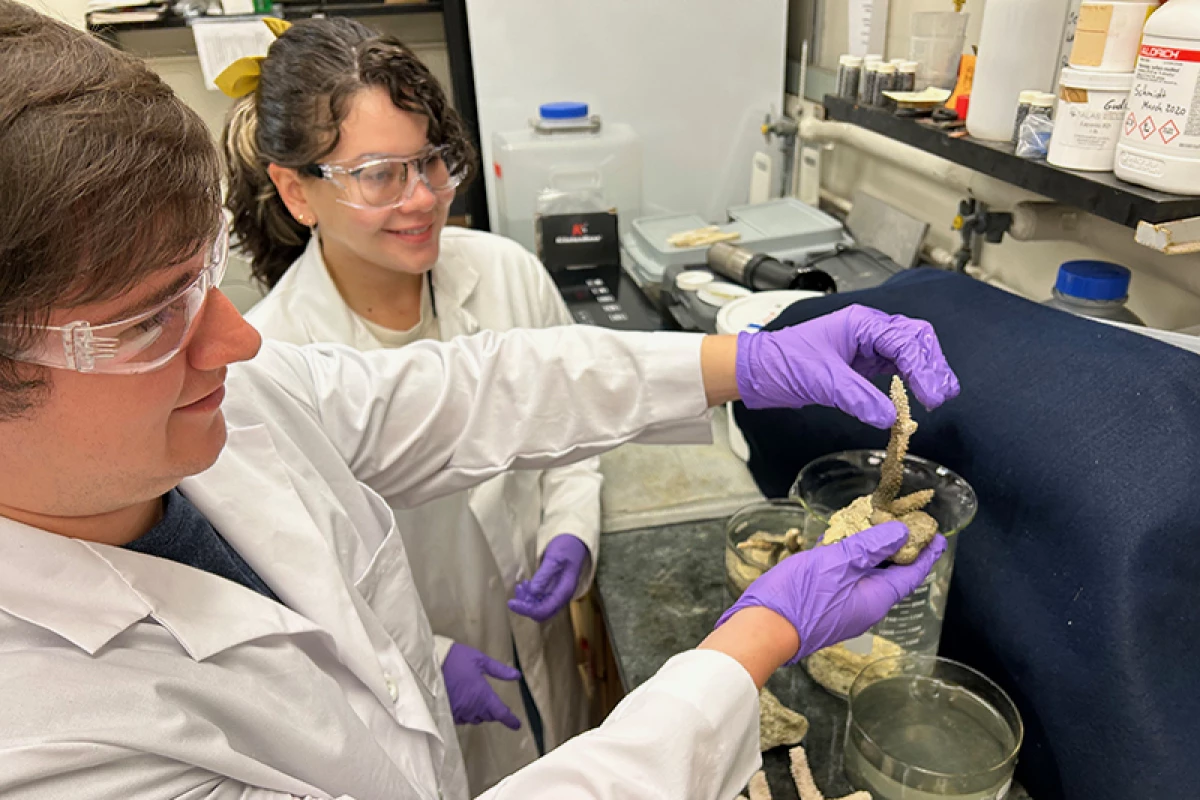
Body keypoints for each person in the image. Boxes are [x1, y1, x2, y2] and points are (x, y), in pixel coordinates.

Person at [0, 3, 958, 798]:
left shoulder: (240, 399)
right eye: (143, 321)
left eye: (205, 274)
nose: (238, 338)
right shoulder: (43, 746)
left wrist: (744, 362)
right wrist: (758, 640)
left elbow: (478, 389)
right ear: (296, 191)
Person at [219, 19, 602, 791]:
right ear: (297, 190)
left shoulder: (505, 273)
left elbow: (582, 419)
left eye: (431, 159)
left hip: (540, 636)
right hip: (402, 692)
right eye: (379, 175)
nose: (423, 197)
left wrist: (571, 527)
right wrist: (420, 656)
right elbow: (291, 585)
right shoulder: (268, 361)